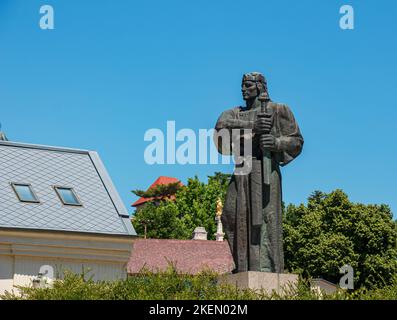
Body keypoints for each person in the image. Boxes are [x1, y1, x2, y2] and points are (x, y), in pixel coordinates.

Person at [214, 72, 304, 273]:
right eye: (242, 85)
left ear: (260, 87)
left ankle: (266, 268)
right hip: (241, 170)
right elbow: (220, 129)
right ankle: (243, 266)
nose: (243, 89)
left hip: (265, 171)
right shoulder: (234, 113)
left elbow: (297, 141)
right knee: (230, 215)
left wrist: (276, 142)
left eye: (247, 85)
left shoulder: (278, 110)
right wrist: (251, 126)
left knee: (265, 220)